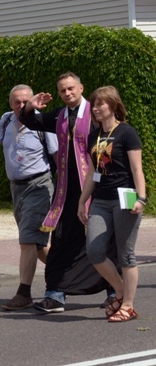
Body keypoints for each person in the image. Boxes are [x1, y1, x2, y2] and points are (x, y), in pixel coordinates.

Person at [20, 72, 116, 313]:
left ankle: (114, 289)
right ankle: (55, 295)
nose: (67, 93)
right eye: (62, 90)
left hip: (94, 188)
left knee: (101, 240)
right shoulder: (60, 115)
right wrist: (31, 106)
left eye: (71, 88)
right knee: (61, 239)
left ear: (81, 88)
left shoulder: (95, 113)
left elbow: (110, 141)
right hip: (65, 191)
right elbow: (32, 122)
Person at [0, 85, 58, 310]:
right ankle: (73, 274)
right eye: (17, 102)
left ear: (33, 101)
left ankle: (23, 294)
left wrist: (67, 189)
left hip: (40, 186)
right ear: (10, 103)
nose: (21, 105)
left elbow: (57, 156)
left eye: (26, 101)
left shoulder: (42, 122)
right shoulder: (6, 120)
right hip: (17, 189)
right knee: (39, 246)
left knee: (27, 240)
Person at [77, 86, 145, 322]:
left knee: (126, 254)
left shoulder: (127, 132)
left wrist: (141, 198)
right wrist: (82, 200)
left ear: (113, 106)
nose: (95, 108)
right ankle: (120, 290)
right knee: (94, 250)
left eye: (100, 104)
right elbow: (92, 172)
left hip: (124, 197)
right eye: (93, 104)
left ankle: (127, 305)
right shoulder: (94, 136)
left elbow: (137, 168)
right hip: (101, 200)